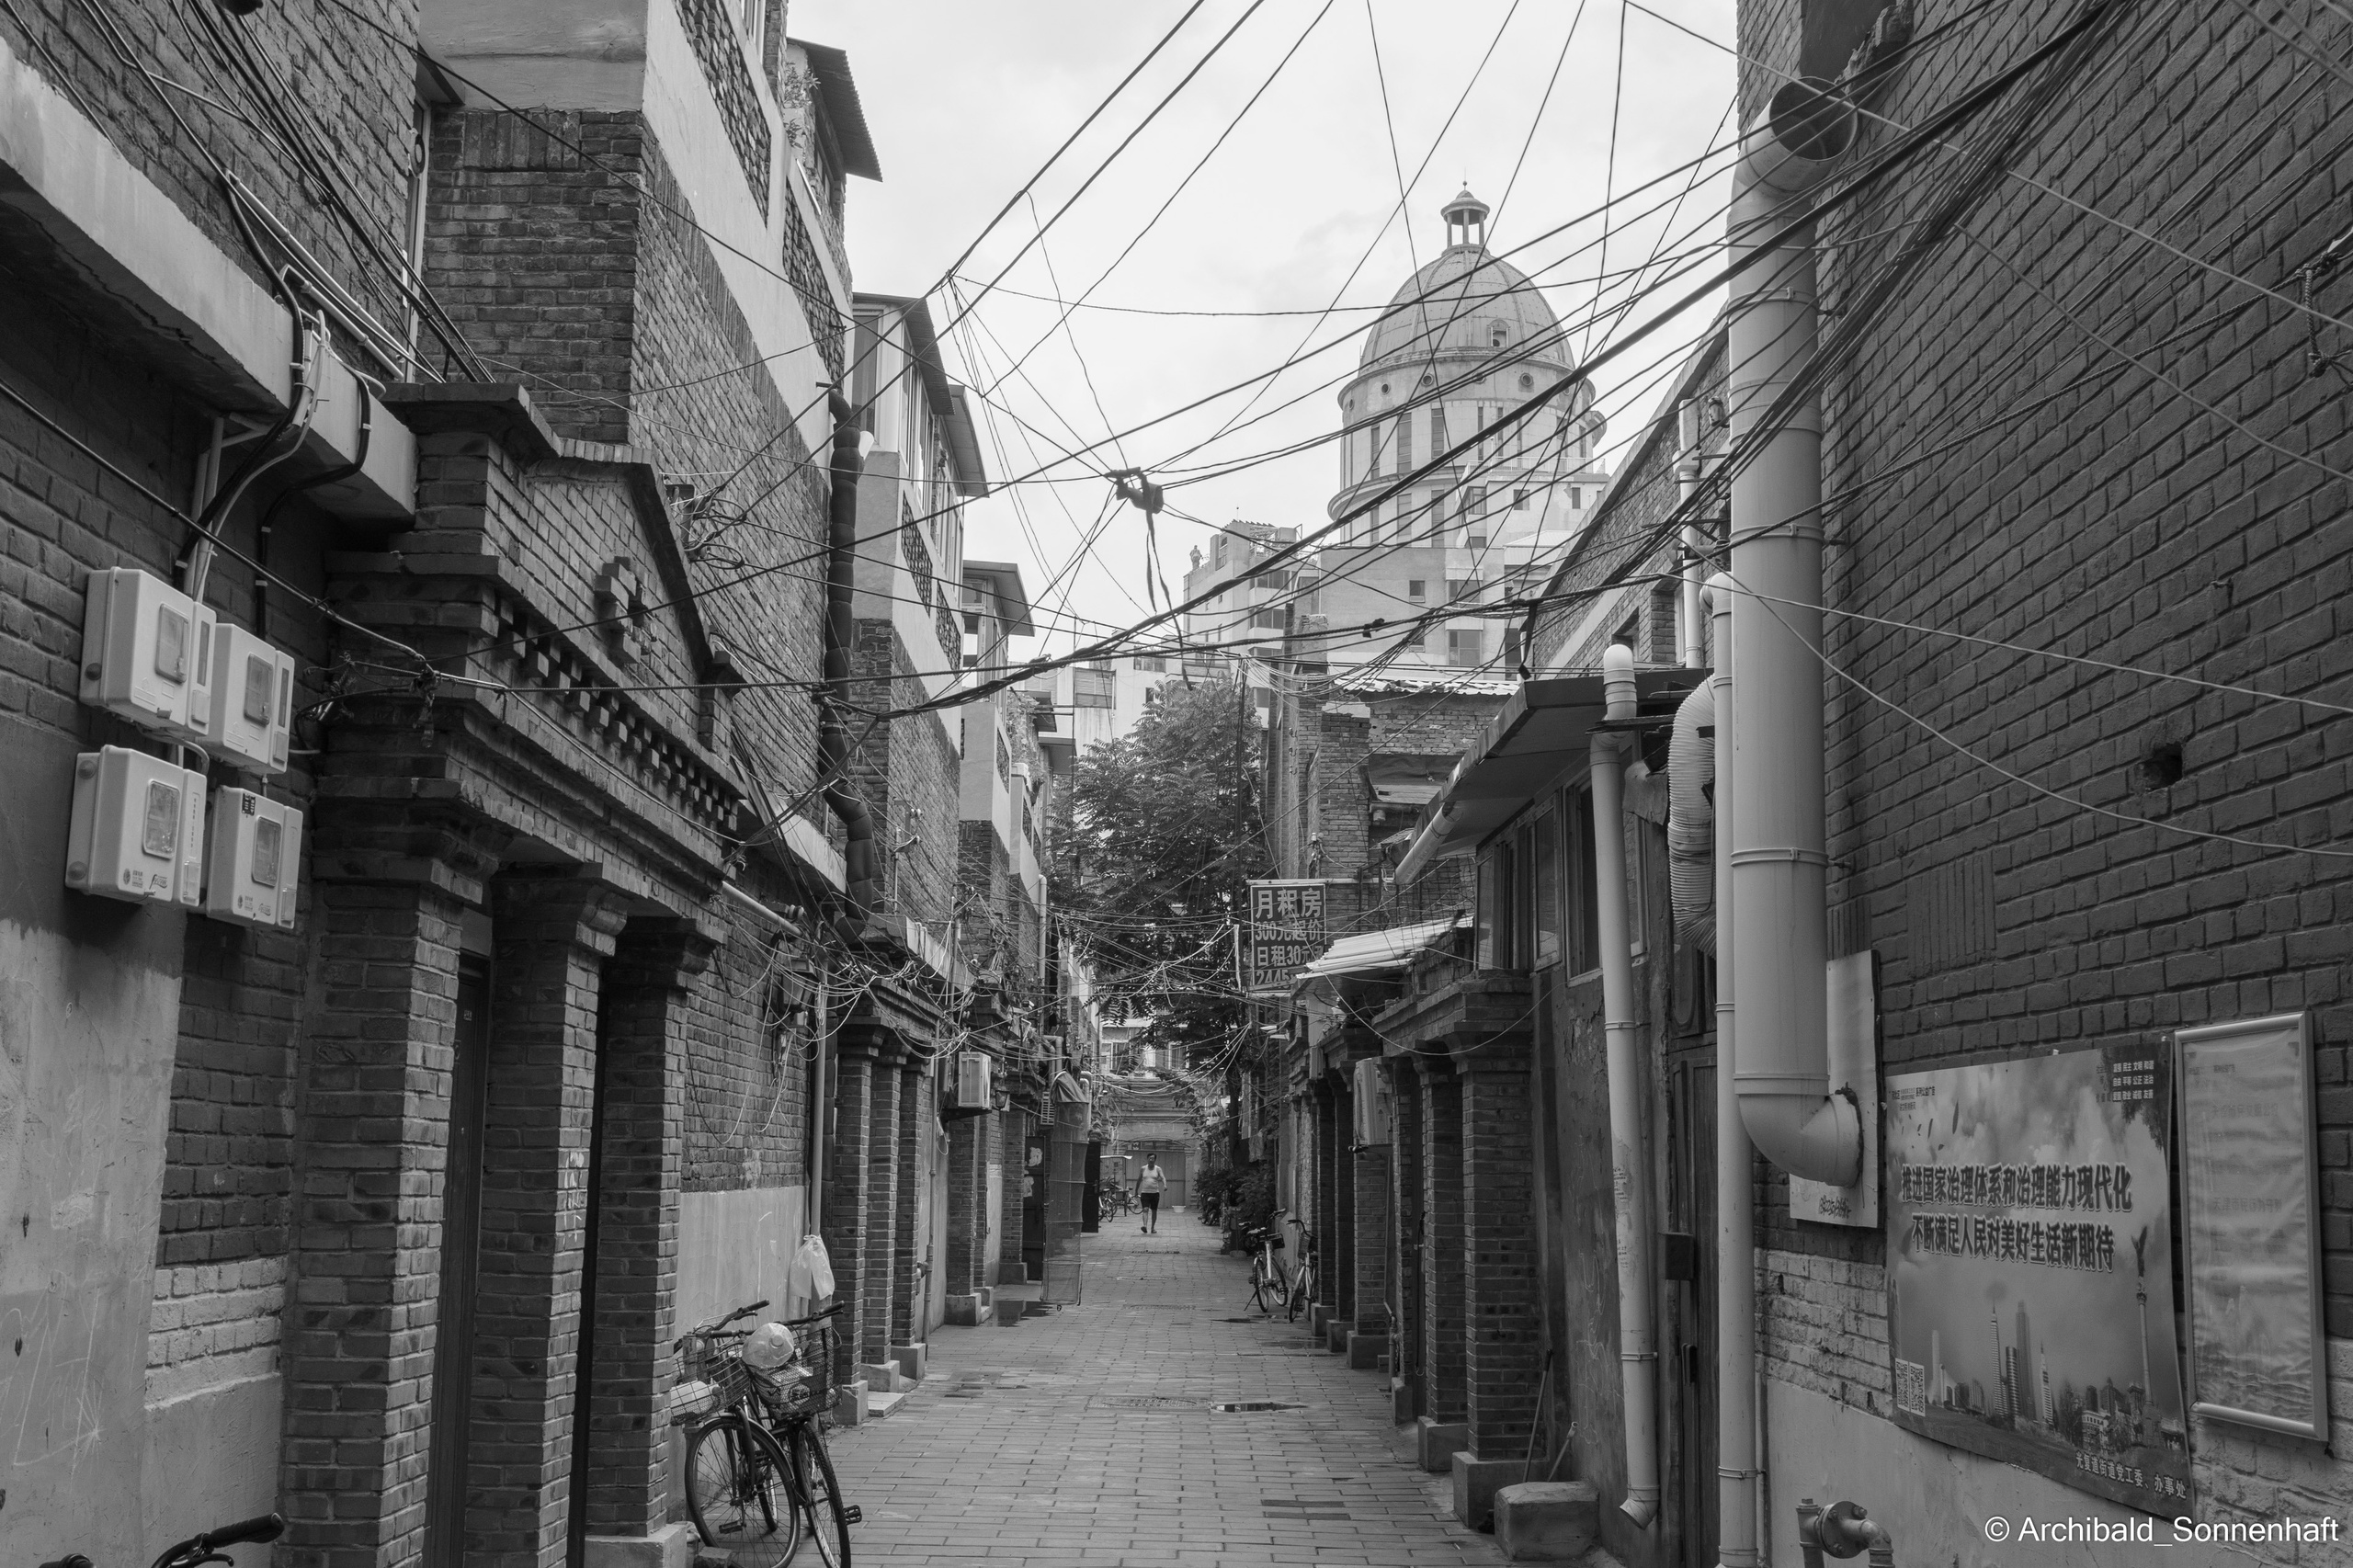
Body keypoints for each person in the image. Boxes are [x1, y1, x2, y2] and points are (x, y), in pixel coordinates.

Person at [1135, 1158, 1167, 1234]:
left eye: (1152, 1158)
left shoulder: (1158, 1169)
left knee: (1154, 1211)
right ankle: (1145, 1226)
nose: (1151, 1160)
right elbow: (1139, 1180)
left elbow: (1162, 1177)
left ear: (1155, 1160)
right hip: (1145, 1193)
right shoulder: (1143, 1169)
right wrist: (1136, 1190)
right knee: (1145, 1209)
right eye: (1149, 1158)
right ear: (1147, 1159)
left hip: (1155, 1193)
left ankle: (1152, 1228)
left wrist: (1165, 1185)